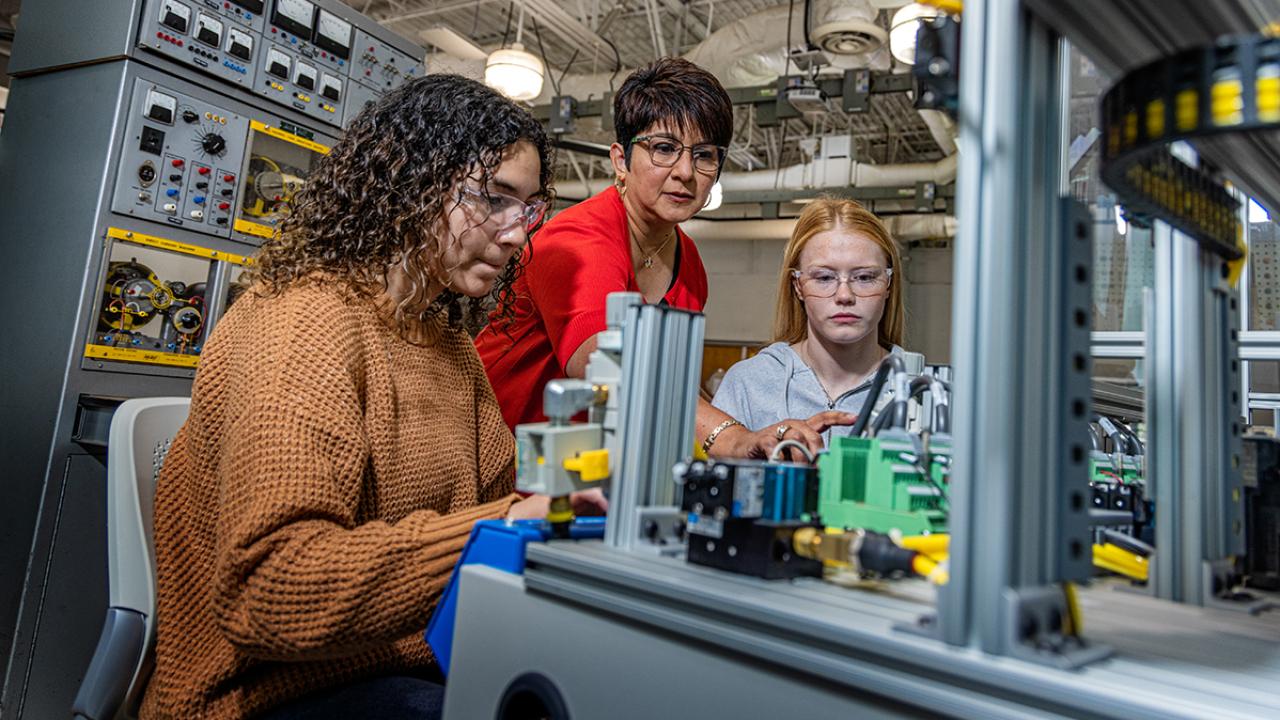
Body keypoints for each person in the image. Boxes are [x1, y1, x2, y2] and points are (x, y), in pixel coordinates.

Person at [140, 74, 603, 720]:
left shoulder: (447, 345)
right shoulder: (304, 323)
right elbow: (272, 589)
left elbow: (508, 497)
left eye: (527, 210)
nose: (515, 234)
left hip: (405, 664)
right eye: (494, 200)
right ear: (407, 185)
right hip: (268, 694)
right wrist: (499, 528)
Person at [475, 57, 851, 461]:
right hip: (496, 461)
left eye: (704, 155)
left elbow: (671, 380)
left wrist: (752, 435)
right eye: (664, 149)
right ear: (621, 160)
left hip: (588, 474)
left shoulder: (689, 264)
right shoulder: (577, 238)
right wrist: (732, 437)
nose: (685, 171)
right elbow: (609, 369)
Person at [712, 198, 906, 444]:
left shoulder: (921, 391)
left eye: (865, 277)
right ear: (798, 286)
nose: (844, 295)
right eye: (824, 277)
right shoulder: (749, 383)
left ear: (888, 284)